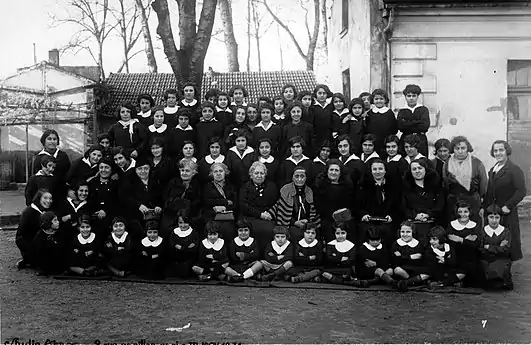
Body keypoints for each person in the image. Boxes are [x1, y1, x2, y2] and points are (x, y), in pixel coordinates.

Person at [483, 140, 526, 262]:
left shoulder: (514, 169)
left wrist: (508, 205)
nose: (498, 153)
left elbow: (521, 191)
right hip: (494, 212)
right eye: (495, 150)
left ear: (507, 151)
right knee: (493, 239)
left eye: (501, 150)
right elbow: (490, 191)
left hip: (507, 212)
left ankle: (506, 272)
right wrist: (485, 207)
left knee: (506, 241)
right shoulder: (493, 169)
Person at [267, 166, 320, 244]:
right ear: (292, 178)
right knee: (295, 234)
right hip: (290, 223)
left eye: (302, 176)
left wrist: (307, 221)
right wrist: (295, 222)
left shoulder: (309, 191)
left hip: (306, 223)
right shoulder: (286, 190)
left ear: (306, 178)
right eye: (296, 176)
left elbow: (313, 211)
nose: (299, 179)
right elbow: (281, 209)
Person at [443, 136, 487, 224]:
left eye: (463, 148)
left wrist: (479, 197)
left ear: (468, 149)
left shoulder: (477, 163)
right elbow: (445, 182)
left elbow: (483, 183)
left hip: (472, 200)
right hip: (454, 200)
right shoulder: (447, 163)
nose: (460, 151)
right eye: (457, 148)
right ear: (453, 149)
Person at [357, 158, 401, 245]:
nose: (378, 172)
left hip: (387, 221)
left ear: (385, 171)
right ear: (371, 171)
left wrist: (392, 216)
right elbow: (357, 206)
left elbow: (398, 205)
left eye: (380, 169)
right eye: (374, 169)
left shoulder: (394, 186)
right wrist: (363, 215)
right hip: (368, 221)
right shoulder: (362, 186)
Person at [402, 158, 444, 245]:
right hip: (412, 224)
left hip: (432, 224)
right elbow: (403, 207)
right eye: (414, 169)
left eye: (420, 168)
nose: (417, 171)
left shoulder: (435, 186)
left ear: (425, 169)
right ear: (410, 171)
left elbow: (440, 205)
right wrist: (415, 215)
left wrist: (428, 214)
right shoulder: (405, 187)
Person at [119, 157, 163, 240]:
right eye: (140, 169)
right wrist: (138, 205)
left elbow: (160, 196)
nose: (143, 171)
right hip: (136, 214)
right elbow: (125, 197)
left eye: (146, 168)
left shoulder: (155, 179)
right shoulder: (130, 180)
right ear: (135, 170)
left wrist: (158, 205)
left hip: (153, 214)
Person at [239, 161, 278, 252]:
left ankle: (267, 254)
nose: (259, 175)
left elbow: (276, 202)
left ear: (265, 174)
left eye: (262, 173)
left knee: (270, 229)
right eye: (256, 173)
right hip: (250, 216)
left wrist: (269, 214)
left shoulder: (272, 186)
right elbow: (243, 205)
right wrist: (260, 215)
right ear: (251, 175)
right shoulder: (245, 187)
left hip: (268, 216)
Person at [314, 159, 355, 242]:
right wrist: (333, 215)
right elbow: (319, 206)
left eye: (336, 170)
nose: (333, 172)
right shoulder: (320, 186)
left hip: (344, 218)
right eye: (331, 170)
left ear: (340, 172)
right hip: (327, 219)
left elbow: (351, 205)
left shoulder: (347, 187)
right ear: (327, 171)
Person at [162, 160, 202, 238]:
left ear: (193, 172)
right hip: (171, 214)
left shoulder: (197, 185)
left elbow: (198, 202)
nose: (184, 173)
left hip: (189, 215)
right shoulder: (173, 182)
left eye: (187, 171)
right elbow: (165, 199)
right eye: (182, 170)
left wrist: (186, 206)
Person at [16, 190, 53, 269]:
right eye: (45, 198)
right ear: (39, 199)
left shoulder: (43, 211)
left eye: (50, 198)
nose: (48, 201)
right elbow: (23, 234)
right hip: (27, 242)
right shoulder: (29, 212)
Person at [478, 204, 513, 290]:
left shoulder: (505, 232)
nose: (494, 220)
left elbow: (505, 248)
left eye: (497, 217)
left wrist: (489, 247)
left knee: (499, 268)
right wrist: (498, 246)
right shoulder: (483, 231)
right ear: (487, 218)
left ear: (500, 218)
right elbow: (480, 247)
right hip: (486, 259)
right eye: (491, 217)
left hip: (501, 258)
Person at [447, 201, 480, 286]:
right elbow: (451, 242)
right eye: (460, 212)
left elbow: (476, 244)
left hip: (471, 256)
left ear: (470, 212)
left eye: (465, 212)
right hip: (456, 255)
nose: (463, 214)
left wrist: (460, 239)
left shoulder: (474, 225)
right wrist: (467, 240)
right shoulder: (451, 225)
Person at [201, 162, 238, 240]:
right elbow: (206, 202)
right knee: (211, 228)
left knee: (229, 230)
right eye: (215, 171)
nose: (218, 173)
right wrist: (225, 202)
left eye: (221, 171)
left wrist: (224, 208)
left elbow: (235, 203)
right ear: (212, 173)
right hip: (212, 216)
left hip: (228, 216)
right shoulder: (207, 187)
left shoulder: (231, 187)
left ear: (225, 172)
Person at [32, 129, 71, 201]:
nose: (52, 141)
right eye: (49, 139)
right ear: (44, 141)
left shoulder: (63, 156)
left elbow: (69, 173)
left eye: (55, 139)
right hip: (45, 195)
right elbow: (35, 178)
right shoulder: (39, 158)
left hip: (61, 193)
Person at [392, 221, 429, 292]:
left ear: (413, 232)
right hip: (403, 268)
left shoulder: (418, 244)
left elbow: (420, 259)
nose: (405, 234)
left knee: (429, 272)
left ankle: (407, 282)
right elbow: (396, 260)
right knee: (397, 270)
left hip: (416, 268)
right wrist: (411, 257)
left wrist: (403, 256)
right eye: (403, 232)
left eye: (408, 232)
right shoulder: (396, 244)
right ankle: (415, 281)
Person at [88, 158, 120, 237]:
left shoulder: (116, 184)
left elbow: (117, 201)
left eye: (106, 167)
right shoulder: (92, 182)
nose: (103, 170)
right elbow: (90, 199)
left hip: (111, 217)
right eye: (101, 167)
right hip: (94, 216)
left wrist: (105, 210)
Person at [397, 84, 430, 157]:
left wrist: (408, 123)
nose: (411, 98)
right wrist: (417, 122)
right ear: (405, 97)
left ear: (418, 96)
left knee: (421, 161)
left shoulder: (423, 109)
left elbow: (424, 126)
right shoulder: (402, 111)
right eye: (409, 96)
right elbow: (401, 127)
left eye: (414, 96)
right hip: (405, 140)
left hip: (420, 140)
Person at [364, 89, 398, 156]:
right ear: (373, 100)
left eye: (381, 99)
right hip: (373, 144)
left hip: (386, 144)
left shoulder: (389, 113)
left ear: (385, 100)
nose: (379, 101)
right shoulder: (370, 113)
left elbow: (394, 129)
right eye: (376, 99)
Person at [167, 211, 199, 278]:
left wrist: (181, 248)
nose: (183, 225)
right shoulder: (174, 232)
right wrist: (177, 246)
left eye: (186, 223)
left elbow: (194, 248)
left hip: (188, 259)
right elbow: (171, 244)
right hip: (175, 259)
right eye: (180, 223)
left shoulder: (194, 233)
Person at [309, 84, 334, 150]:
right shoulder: (312, 107)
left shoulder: (331, 107)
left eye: (324, 93)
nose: (322, 95)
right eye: (319, 93)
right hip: (316, 138)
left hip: (329, 137)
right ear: (316, 94)